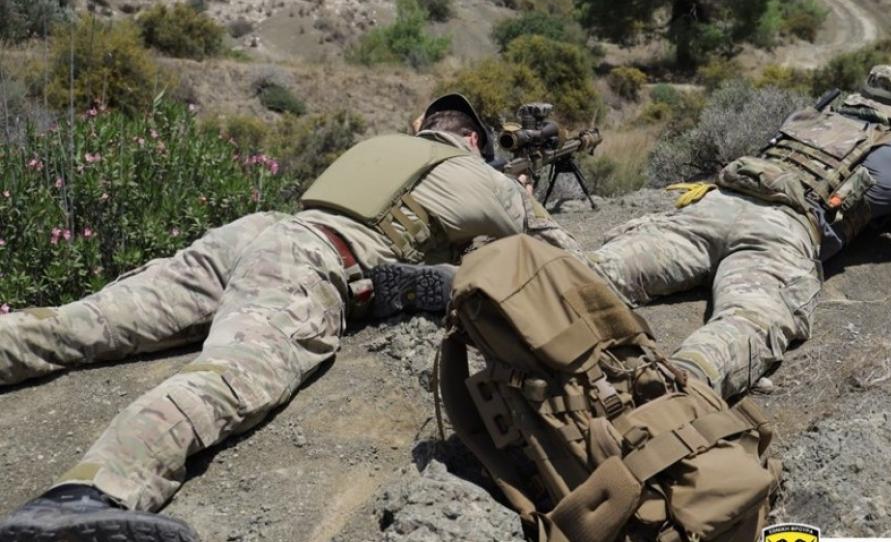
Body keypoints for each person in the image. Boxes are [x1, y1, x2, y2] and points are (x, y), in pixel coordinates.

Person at [0, 93, 579, 542]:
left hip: (260, 233)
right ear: (473, 139)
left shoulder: (379, 149)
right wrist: (517, 191)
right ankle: (85, 496)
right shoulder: (483, 176)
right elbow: (564, 260)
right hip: (310, 257)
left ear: (421, 127)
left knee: (87, 320)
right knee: (236, 373)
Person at [584, 65, 891, 399]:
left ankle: (552, 307)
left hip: (715, 206)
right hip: (780, 232)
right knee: (747, 322)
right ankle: (676, 391)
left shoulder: (808, 117)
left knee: (594, 274)